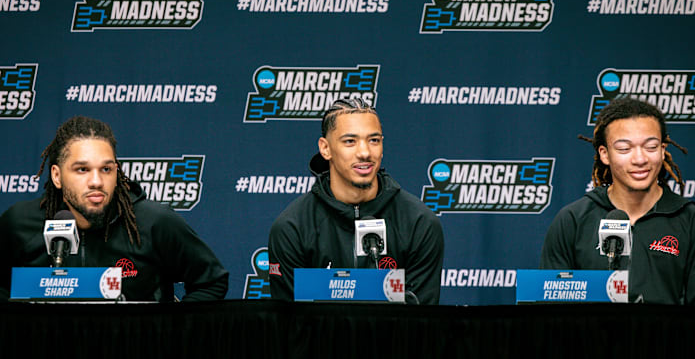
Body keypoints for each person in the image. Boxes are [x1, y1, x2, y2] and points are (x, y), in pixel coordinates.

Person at [0, 116, 228, 302]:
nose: (97, 181)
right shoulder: (20, 223)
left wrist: (167, 332)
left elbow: (211, 282)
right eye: (82, 170)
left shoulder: (153, 223)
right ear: (57, 176)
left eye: (106, 169)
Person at [540, 97, 695, 305]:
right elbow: (549, 310)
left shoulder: (693, 223)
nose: (640, 159)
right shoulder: (573, 220)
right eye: (624, 149)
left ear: (663, 150)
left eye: (651, 147)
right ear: (605, 154)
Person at [268, 99, 444, 304]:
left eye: (374, 140)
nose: (365, 153)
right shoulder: (292, 228)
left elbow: (421, 325)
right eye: (350, 141)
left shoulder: (419, 223)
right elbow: (289, 326)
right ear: (325, 149)